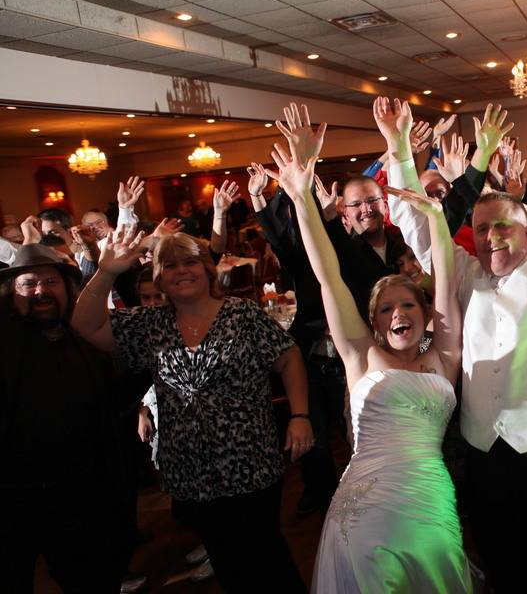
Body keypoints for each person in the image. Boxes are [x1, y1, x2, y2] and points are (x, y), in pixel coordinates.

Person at [387, 56, 527, 593]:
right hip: (486, 449)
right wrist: (397, 148)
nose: (492, 235)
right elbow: (417, 225)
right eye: (482, 228)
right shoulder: (464, 278)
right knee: (505, 565)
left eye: (505, 225)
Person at [264, 100, 472, 592]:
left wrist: (435, 219)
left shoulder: (444, 354)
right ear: (374, 324)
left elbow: (443, 274)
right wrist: (300, 198)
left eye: (407, 306)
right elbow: (326, 275)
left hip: (430, 501)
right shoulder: (362, 355)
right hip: (366, 505)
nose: (398, 313)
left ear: (425, 316)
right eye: (384, 309)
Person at [71, 228, 312, 593]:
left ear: (207, 270)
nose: (182, 270)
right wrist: (105, 271)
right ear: (160, 277)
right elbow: (83, 325)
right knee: (226, 560)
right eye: (170, 265)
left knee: (267, 555)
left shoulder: (241, 313)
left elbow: (289, 356)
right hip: (190, 469)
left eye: (190, 262)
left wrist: (299, 416)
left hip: (250, 461)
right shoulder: (149, 324)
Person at [0, 244, 131, 593]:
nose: (41, 290)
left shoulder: (87, 337)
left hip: (82, 496)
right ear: (11, 293)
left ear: (67, 288)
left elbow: (118, 396)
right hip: (13, 501)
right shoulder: (5, 340)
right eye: (29, 283)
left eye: (50, 281)